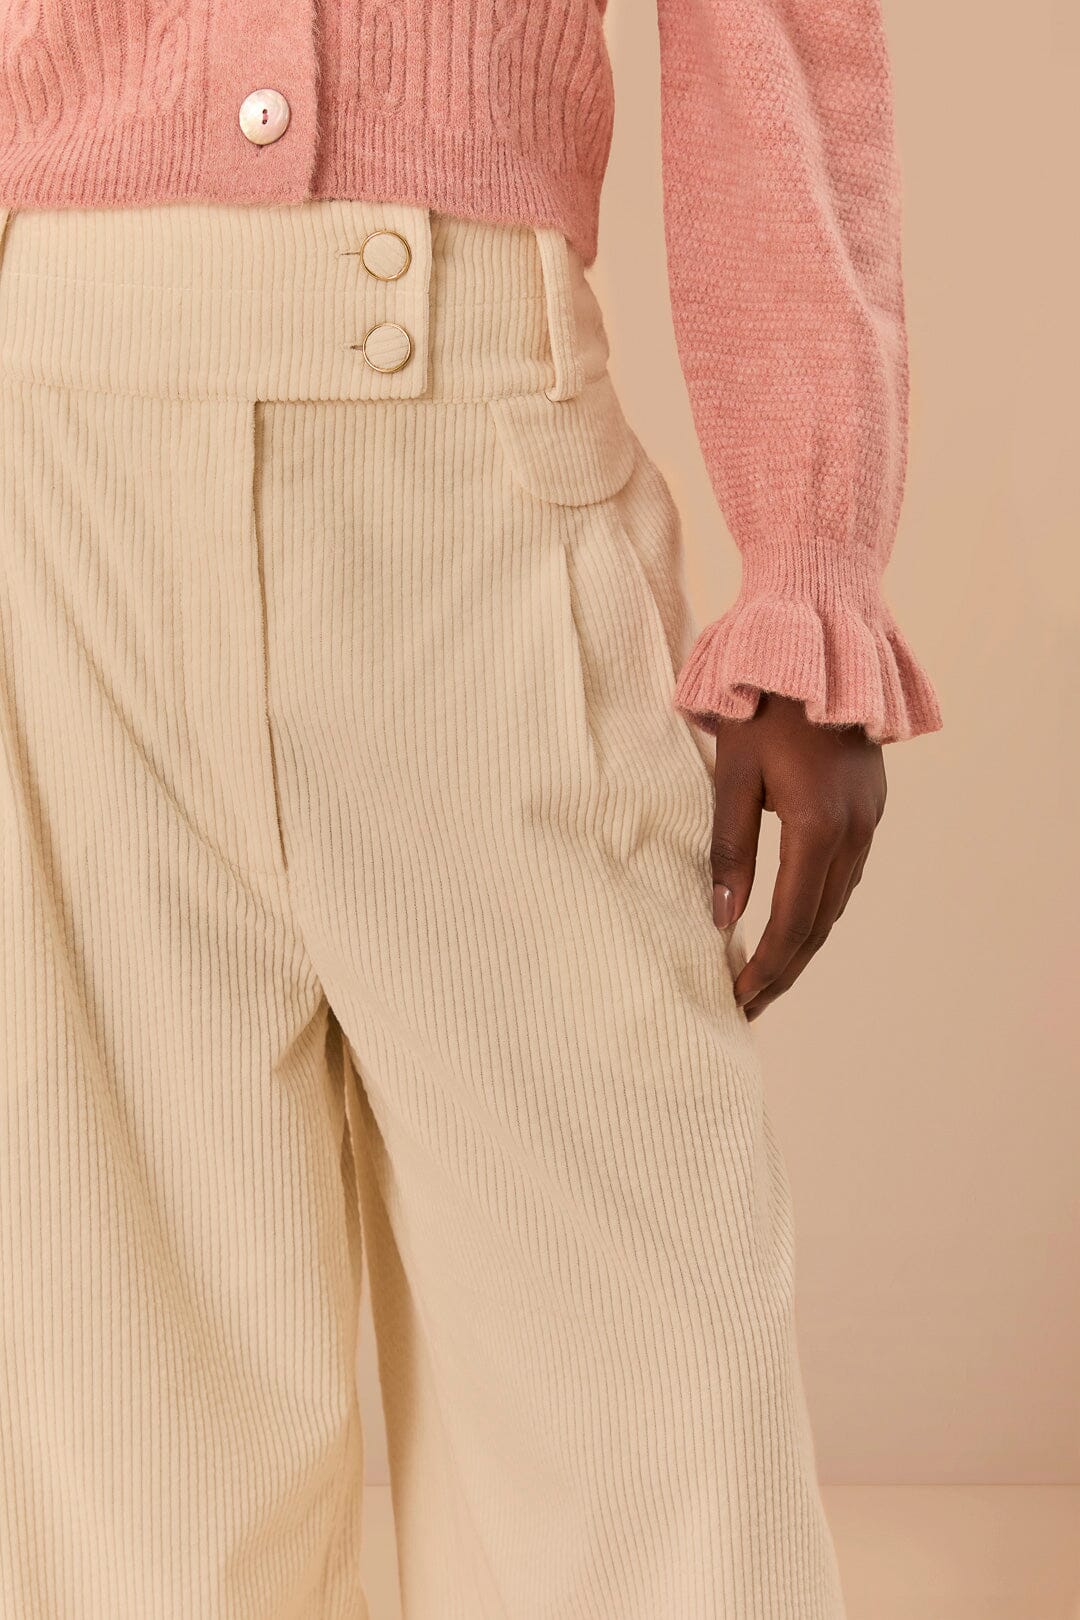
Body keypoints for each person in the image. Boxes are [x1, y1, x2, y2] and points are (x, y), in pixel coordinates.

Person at [0, 2, 940, 1616]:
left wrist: (809, 555)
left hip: (478, 471)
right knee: (127, 1414)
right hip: (59, 464)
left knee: (641, 1370)